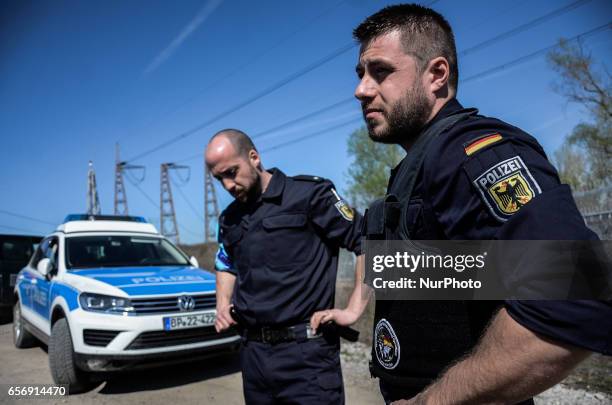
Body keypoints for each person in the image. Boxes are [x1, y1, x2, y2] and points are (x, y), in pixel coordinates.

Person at [312, 4, 612, 404]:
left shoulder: (470, 153)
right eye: (361, 74)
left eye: (380, 71)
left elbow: (575, 295)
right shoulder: (413, 168)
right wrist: (354, 310)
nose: (361, 89)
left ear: (437, 74)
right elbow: (436, 271)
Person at [206, 129, 364, 405]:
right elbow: (225, 262)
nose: (228, 185)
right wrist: (222, 305)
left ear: (254, 157)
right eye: (220, 179)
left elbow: (369, 241)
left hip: (307, 358)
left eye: (232, 172)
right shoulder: (229, 218)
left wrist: (353, 310)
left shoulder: (309, 195)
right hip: (253, 356)